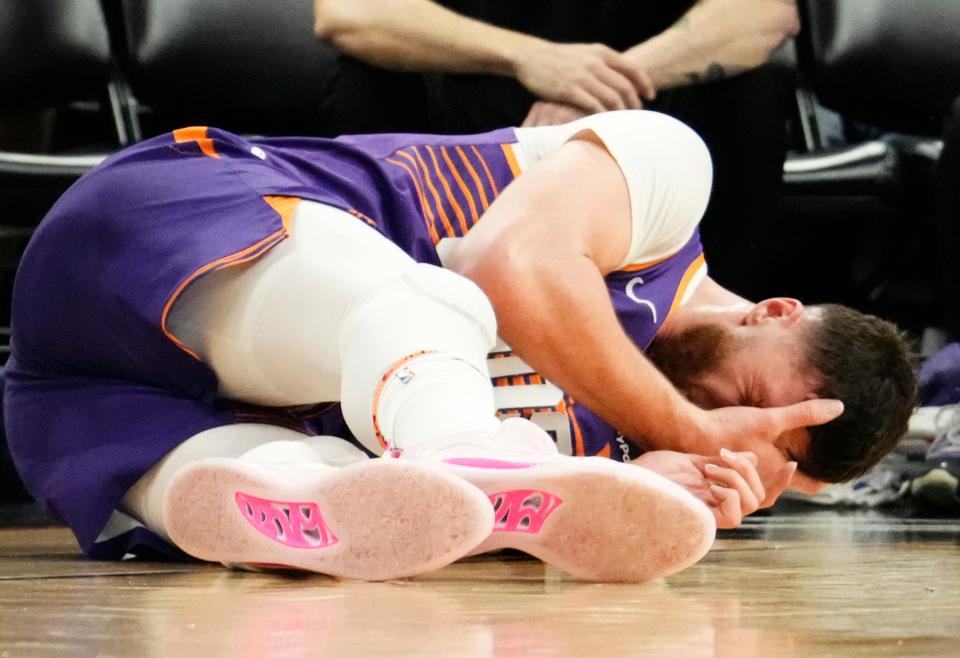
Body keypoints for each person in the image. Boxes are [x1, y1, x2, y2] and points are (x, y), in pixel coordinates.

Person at [4, 111, 915, 583]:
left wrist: (641, 488)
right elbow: (508, 265)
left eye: (762, 450)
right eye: (752, 401)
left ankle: (268, 513)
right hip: (170, 227)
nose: (724, 426)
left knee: (314, 487)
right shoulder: (665, 188)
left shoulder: (628, 448)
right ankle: (463, 451)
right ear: (775, 311)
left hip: (89, 403)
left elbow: (421, 515)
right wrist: (681, 428)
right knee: (442, 304)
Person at [312, 0, 800, 297]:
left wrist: (597, 88)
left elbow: (763, 14)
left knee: (753, 92)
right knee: (364, 82)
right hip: (465, 118)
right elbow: (346, 15)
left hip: (651, 113)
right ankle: (383, 325)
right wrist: (532, 59)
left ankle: (714, 338)